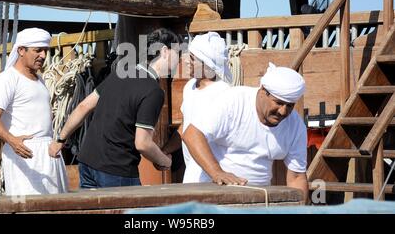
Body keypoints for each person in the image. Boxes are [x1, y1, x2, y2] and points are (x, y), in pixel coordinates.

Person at [49, 28, 181, 188]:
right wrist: (164, 160)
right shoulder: (154, 91)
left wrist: (60, 140)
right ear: (165, 51)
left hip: (87, 162)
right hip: (117, 169)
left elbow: (83, 106)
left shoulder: (121, 72)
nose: (179, 59)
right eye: (178, 53)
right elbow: (143, 143)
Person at [183, 62, 309, 202]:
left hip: (260, 200)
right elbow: (192, 134)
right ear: (263, 90)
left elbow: (297, 177)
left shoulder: (296, 125)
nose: (283, 111)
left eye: (290, 106)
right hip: (213, 195)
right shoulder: (234, 101)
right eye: (278, 103)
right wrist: (217, 172)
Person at [0, 28, 68, 196]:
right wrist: (12, 141)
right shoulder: (7, 79)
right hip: (24, 155)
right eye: (37, 50)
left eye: (45, 50)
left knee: (56, 206)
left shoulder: (40, 80)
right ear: (21, 50)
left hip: (49, 152)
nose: (43, 55)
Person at [160, 32, 232, 183]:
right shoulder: (189, 87)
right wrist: (165, 151)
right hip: (191, 174)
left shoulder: (224, 92)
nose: (187, 62)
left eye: (192, 59)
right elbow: (186, 126)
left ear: (208, 63)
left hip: (213, 178)